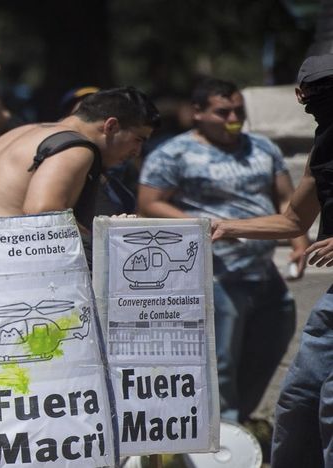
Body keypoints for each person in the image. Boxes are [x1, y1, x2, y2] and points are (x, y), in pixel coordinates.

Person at [139, 78, 307, 426]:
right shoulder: (174, 153)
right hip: (214, 274)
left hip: (264, 271)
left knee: (271, 346)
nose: (233, 117)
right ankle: (220, 440)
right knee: (222, 362)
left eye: (238, 111)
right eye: (223, 111)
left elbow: (287, 200)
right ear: (197, 113)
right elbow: (150, 203)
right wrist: (205, 224)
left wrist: (298, 242)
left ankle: (237, 426)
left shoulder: (262, 147)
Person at [211, 53, 333, 467]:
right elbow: (294, 219)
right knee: (300, 399)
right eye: (320, 90)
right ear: (302, 96)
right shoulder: (324, 147)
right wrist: (227, 226)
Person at [0, 87, 159, 233]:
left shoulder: (23, 133)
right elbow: (43, 212)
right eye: (138, 139)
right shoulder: (75, 147)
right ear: (111, 126)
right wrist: (108, 232)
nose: (137, 151)